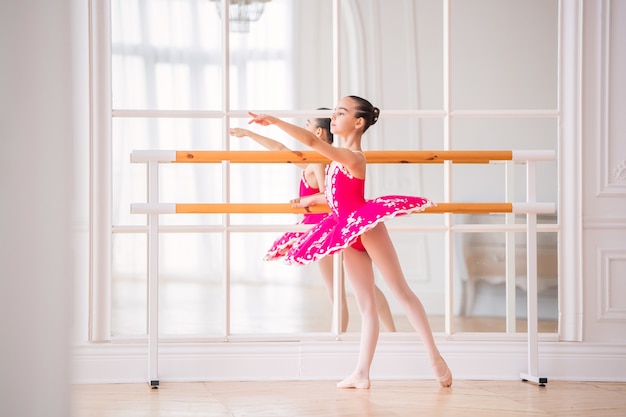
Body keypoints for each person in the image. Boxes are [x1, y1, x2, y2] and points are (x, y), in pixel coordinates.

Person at [247, 96, 452, 389]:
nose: (334, 116)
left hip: (365, 226)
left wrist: (276, 121)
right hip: (346, 231)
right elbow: (335, 196)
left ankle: (434, 356)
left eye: (340, 112)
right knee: (366, 305)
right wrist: (314, 199)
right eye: (334, 112)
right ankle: (361, 373)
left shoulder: (354, 156)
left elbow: (314, 143)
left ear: (358, 122)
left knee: (400, 291)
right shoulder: (334, 162)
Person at [229, 112, 396, 333]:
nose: (303, 127)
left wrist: (309, 200)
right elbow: (280, 149)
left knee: (338, 290)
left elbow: (331, 195)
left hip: (325, 228)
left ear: (318, 132)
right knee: (361, 288)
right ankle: (387, 332)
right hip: (323, 227)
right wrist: (249, 133)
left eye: (306, 124)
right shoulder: (316, 160)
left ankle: (342, 337)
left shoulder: (319, 161)